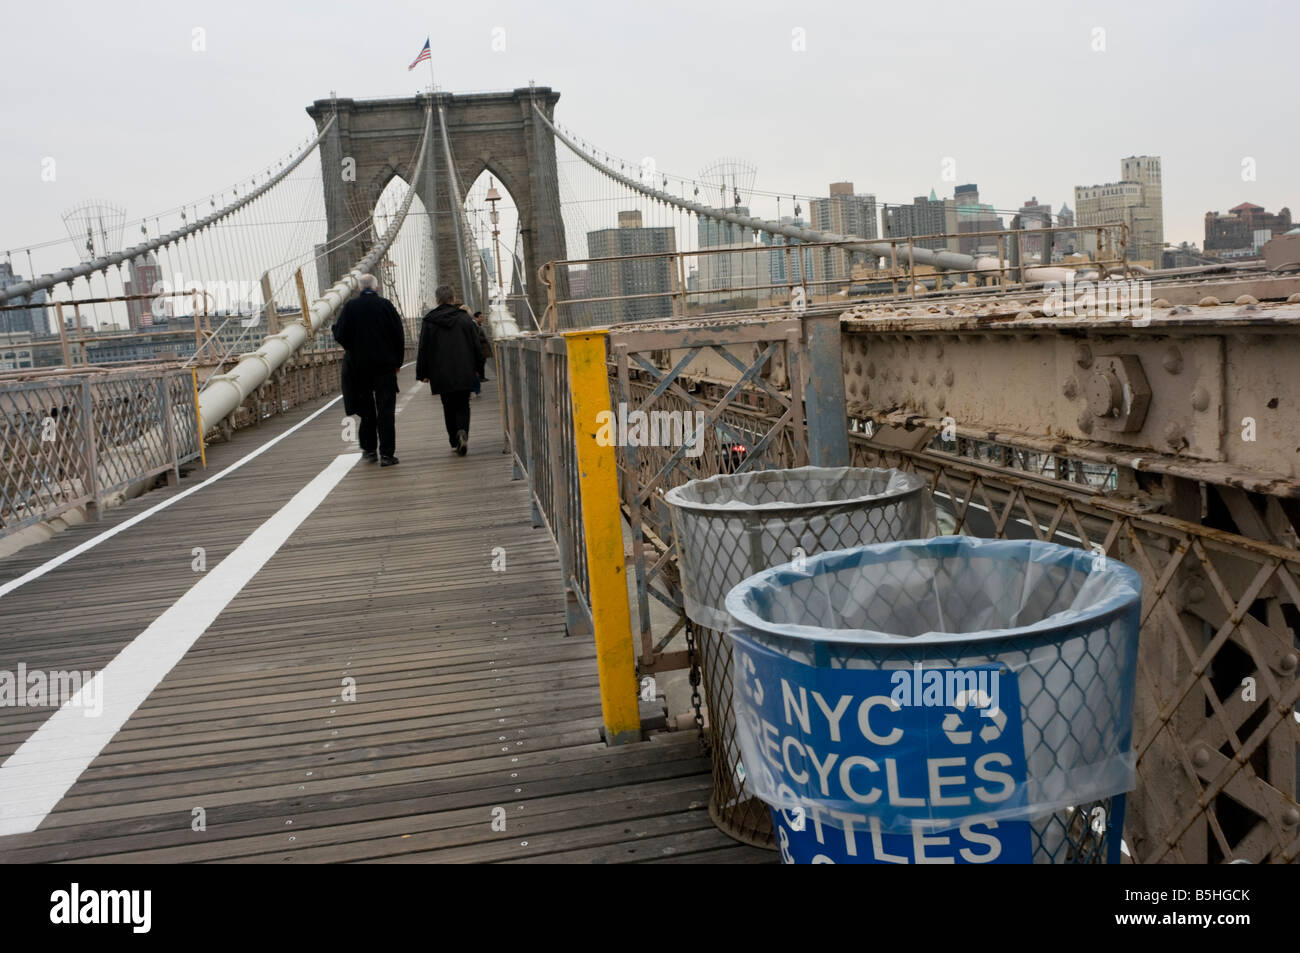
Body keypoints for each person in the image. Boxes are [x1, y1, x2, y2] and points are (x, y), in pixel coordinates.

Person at [332, 274, 404, 466]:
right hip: (384, 367)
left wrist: (353, 349)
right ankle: (387, 455)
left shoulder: (350, 307)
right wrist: (397, 362)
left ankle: (370, 450)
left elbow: (339, 334)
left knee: (367, 411)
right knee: (385, 411)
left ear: (358, 289)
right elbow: (398, 334)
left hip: (359, 368)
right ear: (377, 288)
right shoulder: (386, 305)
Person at [416, 285, 485, 457]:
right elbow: (476, 346)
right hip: (464, 369)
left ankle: (454, 442)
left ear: (437, 300)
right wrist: (479, 368)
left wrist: (422, 373)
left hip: (440, 372)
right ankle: (462, 431)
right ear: (453, 300)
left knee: (448, 406)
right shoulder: (465, 319)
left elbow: (423, 348)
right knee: (463, 404)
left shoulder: (429, 321)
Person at [470, 311, 490, 397]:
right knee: (478, 367)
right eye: (481, 317)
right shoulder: (474, 325)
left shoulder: (476, 325)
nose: (482, 318)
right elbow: (476, 337)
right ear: (476, 317)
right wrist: (484, 339)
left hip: (479, 350)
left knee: (480, 365)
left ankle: (480, 380)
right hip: (478, 350)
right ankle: (478, 384)